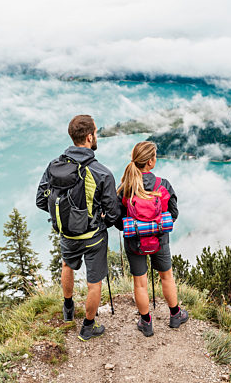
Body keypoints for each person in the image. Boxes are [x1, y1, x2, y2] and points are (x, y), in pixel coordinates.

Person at [36, 114, 120, 341]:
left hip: (66, 234)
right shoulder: (102, 172)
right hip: (93, 236)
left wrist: (65, 217)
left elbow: (41, 201)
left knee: (67, 265)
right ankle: (88, 327)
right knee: (95, 282)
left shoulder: (54, 166)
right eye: (95, 132)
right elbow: (113, 213)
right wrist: (102, 219)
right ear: (89, 136)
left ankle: (68, 308)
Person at [116, 141, 188, 337]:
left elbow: (118, 219)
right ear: (150, 162)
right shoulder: (162, 185)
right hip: (160, 239)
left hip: (134, 242)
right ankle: (175, 315)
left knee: (140, 282)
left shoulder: (125, 188)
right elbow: (173, 213)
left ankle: (146, 322)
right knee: (166, 277)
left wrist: (136, 229)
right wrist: (157, 227)